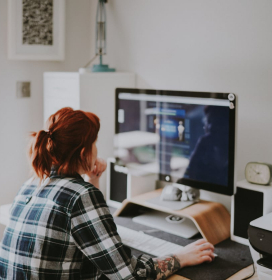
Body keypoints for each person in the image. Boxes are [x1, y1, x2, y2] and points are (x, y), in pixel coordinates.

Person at [0, 107, 215, 279]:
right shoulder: (81, 196)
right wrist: (181, 257)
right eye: (95, 144)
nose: (97, 149)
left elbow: (85, 231)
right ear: (84, 152)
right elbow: (129, 276)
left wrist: (92, 180)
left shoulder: (32, 183)